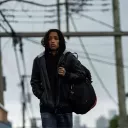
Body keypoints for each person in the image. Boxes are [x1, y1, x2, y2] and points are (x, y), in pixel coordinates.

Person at [30, 29, 86, 128]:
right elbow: (34, 82)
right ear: (46, 41)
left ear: (60, 41)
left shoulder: (69, 57)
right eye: (50, 38)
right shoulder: (39, 60)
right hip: (47, 109)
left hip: (65, 107)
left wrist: (67, 74)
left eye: (56, 38)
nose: (52, 41)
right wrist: (42, 96)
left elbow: (82, 74)